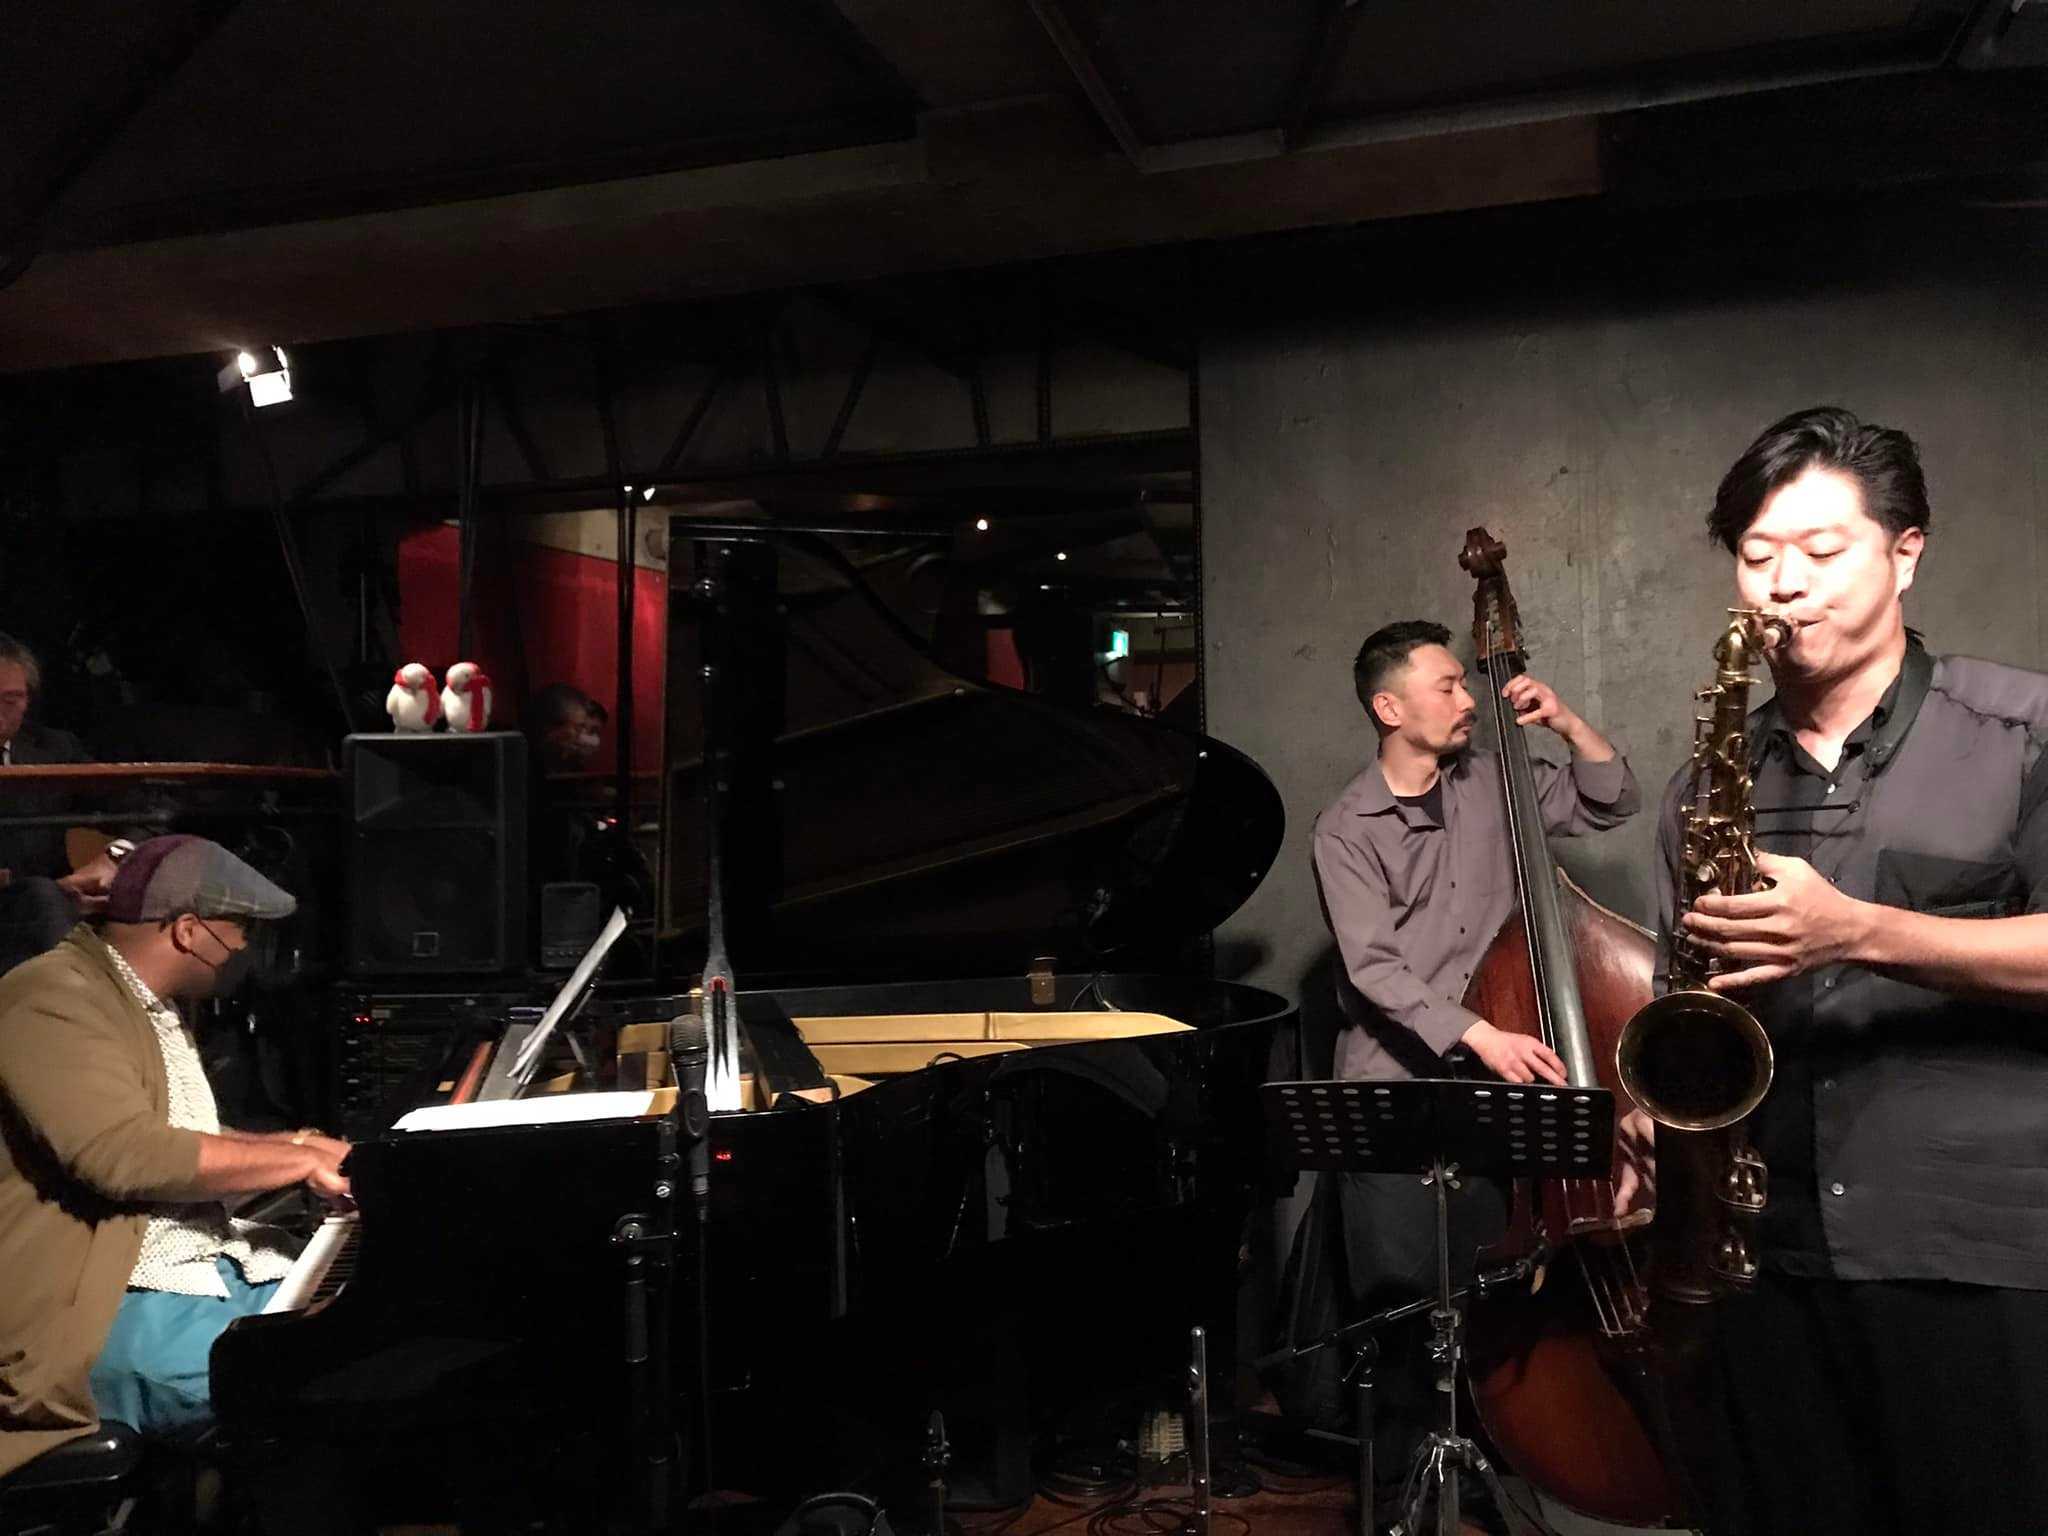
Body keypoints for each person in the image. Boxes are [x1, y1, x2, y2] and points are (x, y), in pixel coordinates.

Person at [1649, 407, 2048, 1536]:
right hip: (1761, 1254)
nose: (1783, 585)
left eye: (1821, 551)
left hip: (1975, 1251)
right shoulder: (1706, 783)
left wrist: (1860, 931)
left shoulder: (2024, 730)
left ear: (1904, 554)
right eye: (1756, 555)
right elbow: (1688, 1001)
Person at [1305, 618, 1644, 1510]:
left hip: (1493, 1090)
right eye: (1448, 686)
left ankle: (1493, 1478)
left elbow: (1611, 800)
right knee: (1400, 1311)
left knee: (1495, 1302)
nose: (1468, 700)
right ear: (1390, 708)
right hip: (1392, 1090)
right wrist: (1479, 1033)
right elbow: (1373, 969)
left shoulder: (1499, 784)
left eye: (1466, 683)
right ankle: (1398, 1499)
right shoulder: (1344, 829)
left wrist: (1566, 723)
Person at [0, 835, 350, 1479]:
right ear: (190, 932)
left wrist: (298, 1145)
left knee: (357, 1336)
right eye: (241, 931)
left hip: (173, 1271)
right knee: (319, 1383)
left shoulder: (137, 1001)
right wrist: (297, 1163)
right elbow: (121, 1154)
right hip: (88, 1307)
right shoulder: (50, 997)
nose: (245, 949)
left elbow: (180, 1133)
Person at [0, 632, 118, 976]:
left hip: (51, 907)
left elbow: (146, 809)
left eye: (11, 699)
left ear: (28, 700)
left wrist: (114, 857)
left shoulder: (55, 749)